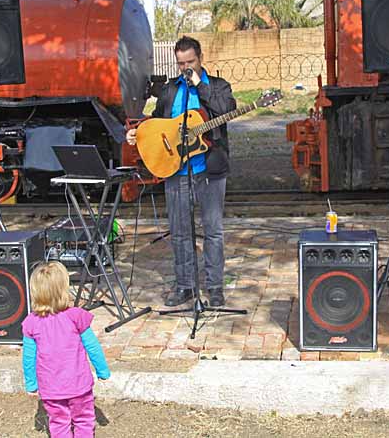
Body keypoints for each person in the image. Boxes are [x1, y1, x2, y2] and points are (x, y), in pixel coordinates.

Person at [126, 35, 237, 308]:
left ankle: (214, 288)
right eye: (181, 63)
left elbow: (226, 109)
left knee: (213, 232)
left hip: (209, 171)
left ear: (201, 59)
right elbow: (158, 124)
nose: (185, 67)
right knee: (179, 233)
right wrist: (138, 133)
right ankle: (185, 286)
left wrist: (200, 84)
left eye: (190, 62)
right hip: (176, 170)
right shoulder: (169, 90)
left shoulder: (218, 87)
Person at [22, 262, 110, 437]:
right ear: (64, 289)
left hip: (50, 388)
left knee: (58, 422)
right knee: (84, 419)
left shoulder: (31, 322)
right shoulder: (75, 316)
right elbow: (93, 347)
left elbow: (28, 358)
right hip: (79, 385)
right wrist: (103, 371)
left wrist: (31, 384)